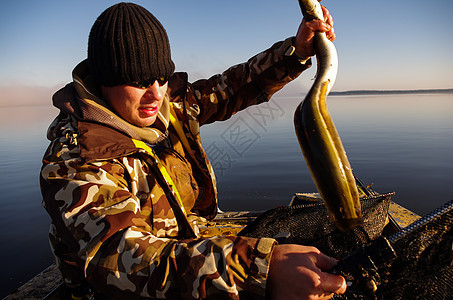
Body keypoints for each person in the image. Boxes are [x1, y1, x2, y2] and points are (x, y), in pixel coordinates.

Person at [40, 2, 345, 299]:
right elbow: (118, 258)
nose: (155, 94)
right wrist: (261, 269)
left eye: (162, 77)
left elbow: (234, 86)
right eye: (139, 81)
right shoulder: (77, 159)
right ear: (105, 80)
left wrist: (296, 52)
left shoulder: (170, 106)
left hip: (189, 242)